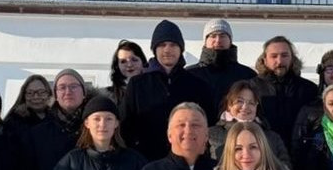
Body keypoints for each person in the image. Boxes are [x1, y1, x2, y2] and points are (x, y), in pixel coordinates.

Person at [121, 20, 217, 160]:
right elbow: (125, 126)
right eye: (162, 45)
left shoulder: (198, 85)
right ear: (154, 49)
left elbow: (209, 125)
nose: (167, 50)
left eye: (173, 45)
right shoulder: (137, 85)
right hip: (146, 161)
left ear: (180, 49)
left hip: (187, 161)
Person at [253, 36, 319, 150]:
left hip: (300, 154)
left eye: (284, 55)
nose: (279, 61)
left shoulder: (309, 89)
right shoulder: (251, 88)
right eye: (274, 56)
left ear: (292, 58)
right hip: (263, 152)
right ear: (264, 60)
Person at [208, 80, 291, 167]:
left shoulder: (272, 137)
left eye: (251, 103)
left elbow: (285, 169)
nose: (245, 107)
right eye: (239, 101)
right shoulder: (210, 134)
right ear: (229, 105)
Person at [186, 19, 256, 101]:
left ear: (230, 40)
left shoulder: (247, 75)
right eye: (213, 36)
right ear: (205, 41)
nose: (218, 40)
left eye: (222, 36)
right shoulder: (190, 74)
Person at [107, 40, 146, 105]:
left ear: (143, 62)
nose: (129, 65)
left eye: (134, 60)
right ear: (117, 66)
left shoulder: (154, 90)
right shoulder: (108, 96)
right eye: (123, 61)